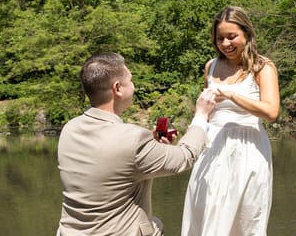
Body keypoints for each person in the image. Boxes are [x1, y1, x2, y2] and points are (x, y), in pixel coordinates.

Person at [57, 52, 217, 236]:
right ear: (118, 88)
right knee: (156, 225)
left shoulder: (69, 129)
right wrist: (201, 116)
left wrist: (151, 145)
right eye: (130, 80)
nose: (134, 85)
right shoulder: (133, 139)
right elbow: (185, 156)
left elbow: (115, 164)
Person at [181, 6, 280, 235]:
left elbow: (271, 112)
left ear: (247, 34)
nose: (225, 43)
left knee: (246, 218)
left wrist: (232, 95)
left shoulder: (262, 67)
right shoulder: (211, 66)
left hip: (248, 149)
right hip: (212, 147)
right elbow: (206, 112)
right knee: (207, 212)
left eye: (232, 36)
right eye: (220, 38)